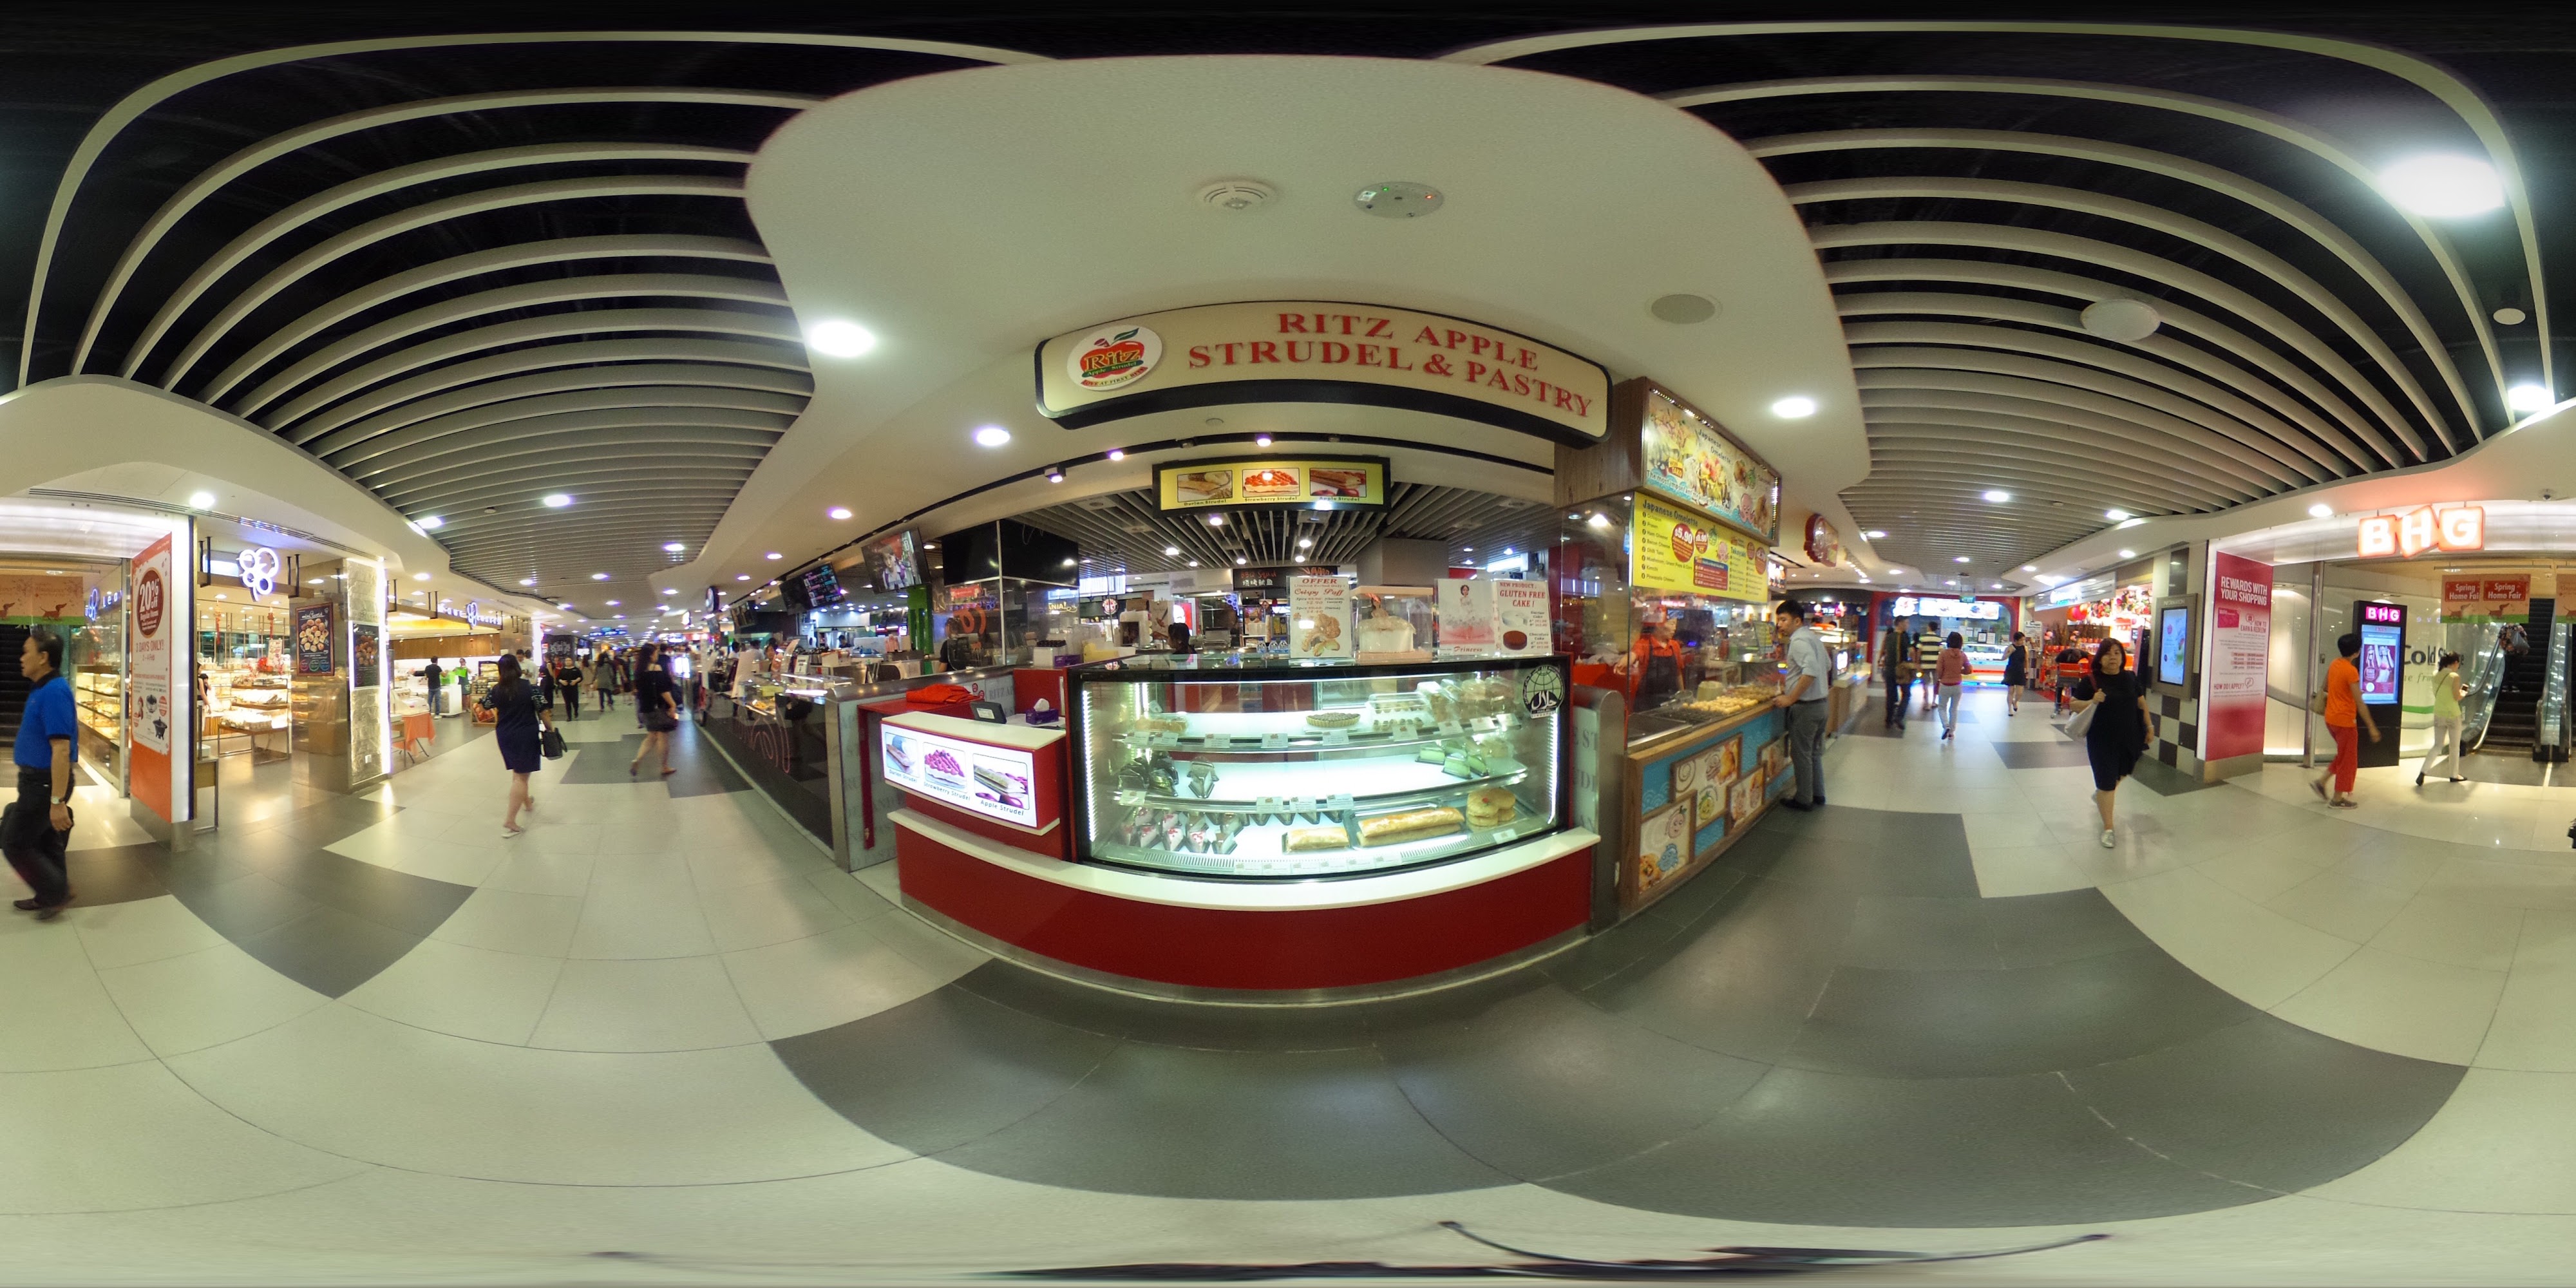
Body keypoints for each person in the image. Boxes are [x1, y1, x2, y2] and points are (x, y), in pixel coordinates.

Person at [5, 628, 78, 920]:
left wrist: (57, 801)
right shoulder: (41, 688)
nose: (21, 658)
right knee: (46, 839)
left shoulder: (55, 692)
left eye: (27, 651)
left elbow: (61, 750)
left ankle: (54, 892)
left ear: (44, 657)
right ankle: (58, 891)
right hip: (35, 781)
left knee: (13, 842)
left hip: (45, 783)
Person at [2069, 636, 2151, 848]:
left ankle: (2102, 794)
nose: (2113, 657)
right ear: (2100, 658)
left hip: (2131, 737)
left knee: (2123, 771)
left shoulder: (2131, 678)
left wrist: (2149, 726)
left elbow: (2141, 702)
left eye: (2117, 653)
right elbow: (2073, 704)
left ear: (2122, 657)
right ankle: (2108, 828)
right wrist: (2092, 701)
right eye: (2108, 653)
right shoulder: (2092, 681)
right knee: (2107, 781)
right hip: (2101, 740)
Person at [1772, 600, 1832, 811]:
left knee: (1801, 754)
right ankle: (1818, 794)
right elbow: (1827, 665)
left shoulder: (1798, 641)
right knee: (1813, 753)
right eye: (1778, 619)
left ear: (1797, 621)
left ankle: (1804, 799)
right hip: (1822, 705)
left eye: (1784, 619)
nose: (1779, 624)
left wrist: (1791, 697)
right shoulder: (1812, 637)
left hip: (1807, 708)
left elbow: (1812, 671)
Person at [482, 653, 549, 837]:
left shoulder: (496, 689)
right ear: (518, 668)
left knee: (518, 771)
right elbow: (543, 711)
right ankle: (510, 821)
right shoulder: (530, 688)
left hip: (504, 734)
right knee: (522, 777)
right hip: (526, 734)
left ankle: (527, 802)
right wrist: (551, 730)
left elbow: (486, 705)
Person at [2311, 632, 2378, 808]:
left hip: (2331, 719)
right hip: (2345, 722)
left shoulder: (2335, 664)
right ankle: (2338, 799)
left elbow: (2326, 687)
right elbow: (2360, 703)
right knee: (2348, 761)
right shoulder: (2351, 671)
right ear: (2357, 652)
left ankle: (2321, 781)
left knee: (2343, 755)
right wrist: (2372, 727)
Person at [629, 643, 681, 777]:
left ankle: (638, 759)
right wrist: (673, 705)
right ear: (652, 654)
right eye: (656, 653)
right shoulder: (656, 668)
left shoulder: (639, 671)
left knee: (651, 736)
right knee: (662, 737)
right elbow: (663, 690)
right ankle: (664, 766)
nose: (657, 655)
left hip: (645, 708)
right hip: (658, 708)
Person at [2418, 650, 2467, 787]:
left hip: (2438, 713)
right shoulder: (2454, 676)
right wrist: (2463, 693)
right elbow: (2456, 697)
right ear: (2456, 663)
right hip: (2453, 714)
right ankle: (2454, 775)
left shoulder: (2435, 674)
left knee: (2437, 745)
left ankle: (2423, 771)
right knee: (2454, 746)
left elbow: (2436, 693)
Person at [1632, 617, 1682, 712]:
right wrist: (1625, 660)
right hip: (1647, 703)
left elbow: (1678, 673)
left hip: (1671, 701)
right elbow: (1634, 654)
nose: (1674, 628)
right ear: (1659, 625)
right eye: (1672, 624)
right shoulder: (1644, 643)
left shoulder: (1674, 646)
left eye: (1675, 624)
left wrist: (1682, 694)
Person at [1935, 630, 1970, 741]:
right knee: (1954, 709)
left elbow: (1939, 670)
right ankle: (1951, 733)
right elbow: (1969, 670)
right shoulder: (1963, 655)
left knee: (1942, 708)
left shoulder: (1943, 654)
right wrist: (1960, 672)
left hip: (1945, 684)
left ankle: (1946, 726)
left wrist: (1940, 678)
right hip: (1957, 685)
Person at [1881, 622, 1913, 730]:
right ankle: (1899, 716)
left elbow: (1883, 651)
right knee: (1906, 694)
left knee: (1891, 696)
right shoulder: (1904, 636)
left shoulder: (1889, 636)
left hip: (1889, 670)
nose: (1908, 625)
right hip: (1901, 670)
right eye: (1906, 622)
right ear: (1900, 623)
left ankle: (1888, 720)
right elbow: (1911, 651)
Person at [2002, 631, 2029, 715]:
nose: (2022, 642)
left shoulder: (2025, 648)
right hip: (2011, 670)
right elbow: (2003, 658)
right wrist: (2010, 652)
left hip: (2020, 670)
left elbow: (2026, 660)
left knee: (2020, 692)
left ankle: (2015, 701)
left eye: (2023, 640)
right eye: (2021, 640)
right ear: (2016, 640)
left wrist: (2027, 670)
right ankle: (2010, 709)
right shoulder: (2010, 647)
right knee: (2011, 691)